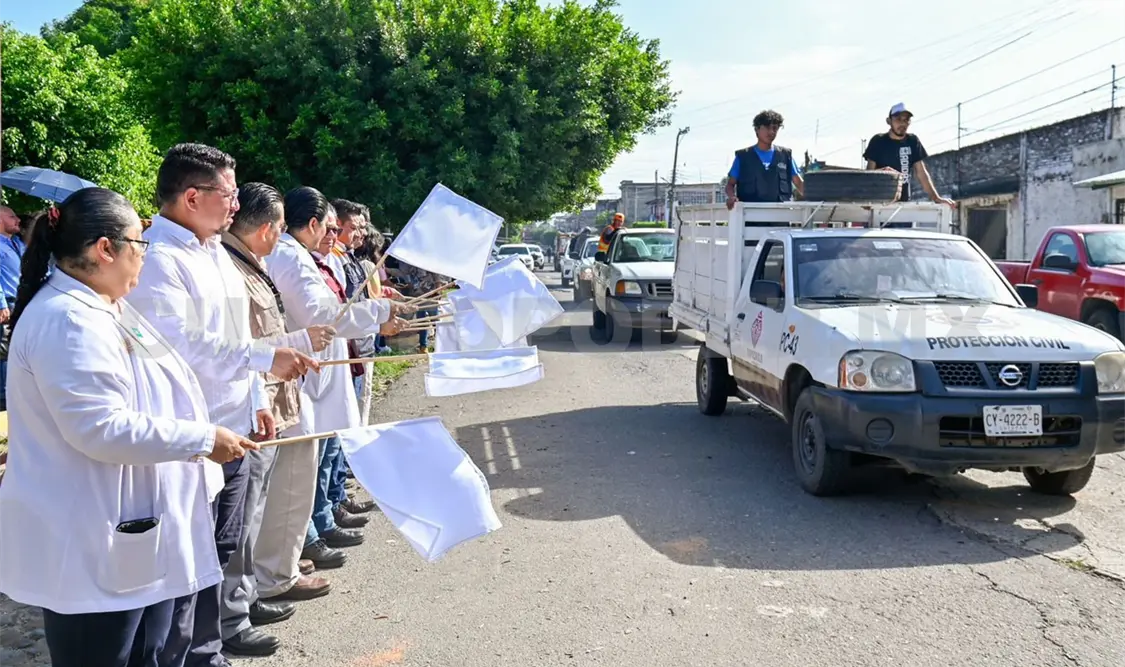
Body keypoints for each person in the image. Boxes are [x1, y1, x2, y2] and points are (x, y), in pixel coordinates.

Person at [0, 187, 258, 667]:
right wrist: (203, 440)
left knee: (150, 651)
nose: (144, 256)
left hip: (133, 533)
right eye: (140, 244)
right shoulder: (69, 320)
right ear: (105, 249)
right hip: (91, 539)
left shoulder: (107, 306)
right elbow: (99, 428)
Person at [128, 143, 316, 667]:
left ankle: (210, 647)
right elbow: (178, 346)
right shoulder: (159, 261)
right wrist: (264, 357)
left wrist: (257, 395)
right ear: (192, 196)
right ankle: (191, 651)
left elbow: (234, 331)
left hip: (235, 423)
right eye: (229, 195)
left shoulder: (214, 252)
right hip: (192, 437)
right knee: (190, 557)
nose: (236, 206)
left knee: (222, 548)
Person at [218, 183, 338, 656]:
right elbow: (232, 349)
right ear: (268, 228)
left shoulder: (247, 263)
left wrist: (296, 343)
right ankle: (237, 607)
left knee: (252, 512)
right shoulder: (231, 265)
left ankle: (244, 598)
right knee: (241, 520)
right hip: (247, 406)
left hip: (263, 401)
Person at [265, 187, 407, 571]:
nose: (335, 235)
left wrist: (379, 309)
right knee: (296, 477)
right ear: (312, 224)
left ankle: (293, 553)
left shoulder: (302, 256)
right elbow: (319, 311)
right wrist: (379, 311)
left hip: (316, 372)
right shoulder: (290, 257)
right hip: (301, 376)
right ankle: (289, 558)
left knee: (312, 464)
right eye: (329, 227)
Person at [863, 103, 956, 206]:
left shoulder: (912, 141)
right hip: (880, 204)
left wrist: (936, 198)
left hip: (903, 205)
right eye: (898, 119)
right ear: (889, 121)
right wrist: (885, 173)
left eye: (906, 120)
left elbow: (921, 173)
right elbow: (869, 175)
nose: (902, 124)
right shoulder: (878, 141)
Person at [724, 109, 804, 208]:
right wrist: (731, 197)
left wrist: (818, 199)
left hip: (780, 216)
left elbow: (799, 183)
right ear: (757, 129)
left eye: (775, 128)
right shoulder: (743, 157)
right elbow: (730, 184)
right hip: (750, 216)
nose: (771, 132)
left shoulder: (785, 156)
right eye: (767, 127)